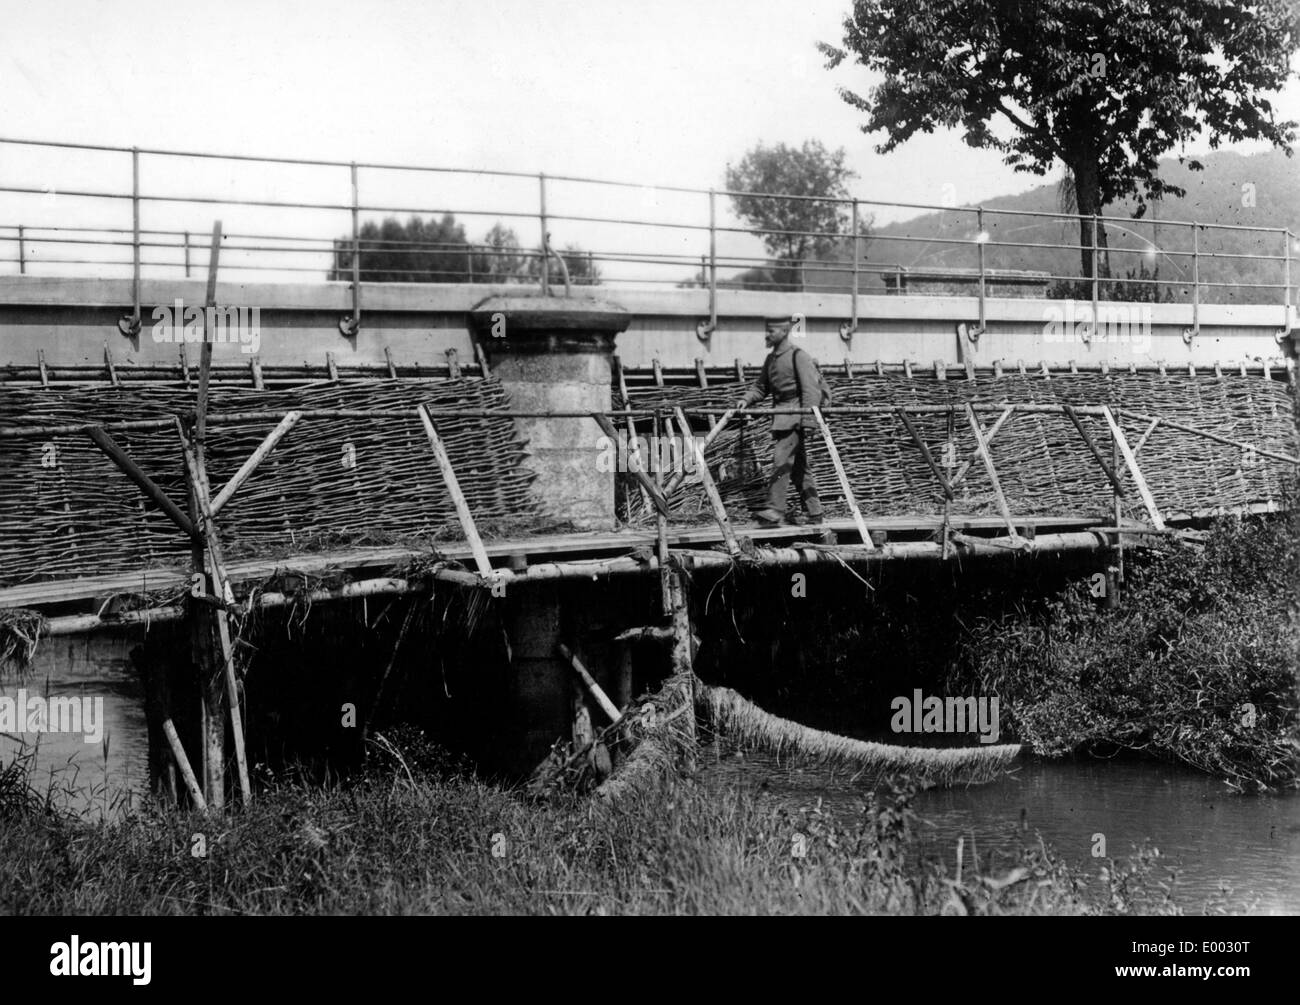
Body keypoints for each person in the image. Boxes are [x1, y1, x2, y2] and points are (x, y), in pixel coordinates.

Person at [735, 316, 825, 527]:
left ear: (784, 331)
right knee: (799, 468)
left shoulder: (798, 356)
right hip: (781, 418)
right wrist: (745, 399)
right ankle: (815, 512)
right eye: (767, 331)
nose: (767, 335)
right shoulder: (771, 359)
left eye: (771, 331)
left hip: (795, 418)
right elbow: (760, 387)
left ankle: (775, 510)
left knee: (781, 460)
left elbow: (811, 391)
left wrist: (809, 421)